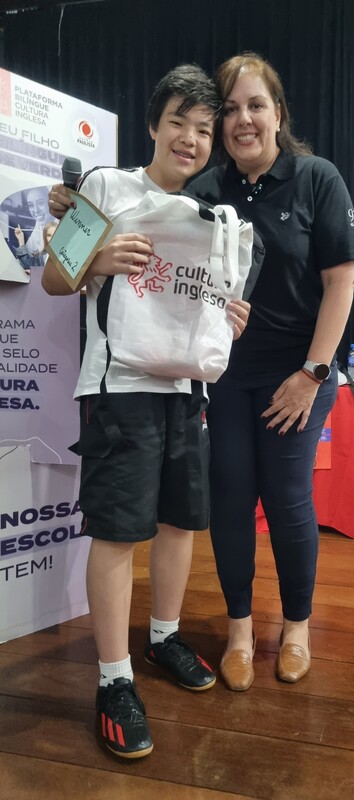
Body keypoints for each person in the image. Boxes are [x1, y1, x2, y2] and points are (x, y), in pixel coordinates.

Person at [42, 65, 251, 759]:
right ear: (154, 126)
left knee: (180, 521)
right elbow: (54, 277)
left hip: (186, 391)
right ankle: (113, 678)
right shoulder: (106, 187)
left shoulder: (209, 215)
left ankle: (163, 637)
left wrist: (228, 317)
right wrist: (98, 259)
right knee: (117, 530)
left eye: (203, 130)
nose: (190, 139)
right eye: (178, 123)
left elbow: (207, 303)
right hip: (119, 388)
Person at [188, 53, 354, 691]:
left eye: (256, 105)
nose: (243, 119)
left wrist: (313, 373)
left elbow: (342, 281)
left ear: (278, 114)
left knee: (288, 498)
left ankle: (296, 628)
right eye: (231, 108)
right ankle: (240, 631)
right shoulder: (204, 191)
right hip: (225, 377)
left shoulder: (317, 178)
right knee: (231, 499)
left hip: (299, 374)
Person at [14, 186, 54, 267]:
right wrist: (21, 240)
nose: (36, 210)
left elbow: (33, 267)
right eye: (31, 205)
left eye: (40, 203)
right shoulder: (39, 225)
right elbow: (29, 263)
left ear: (50, 203)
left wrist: (34, 271)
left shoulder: (57, 230)